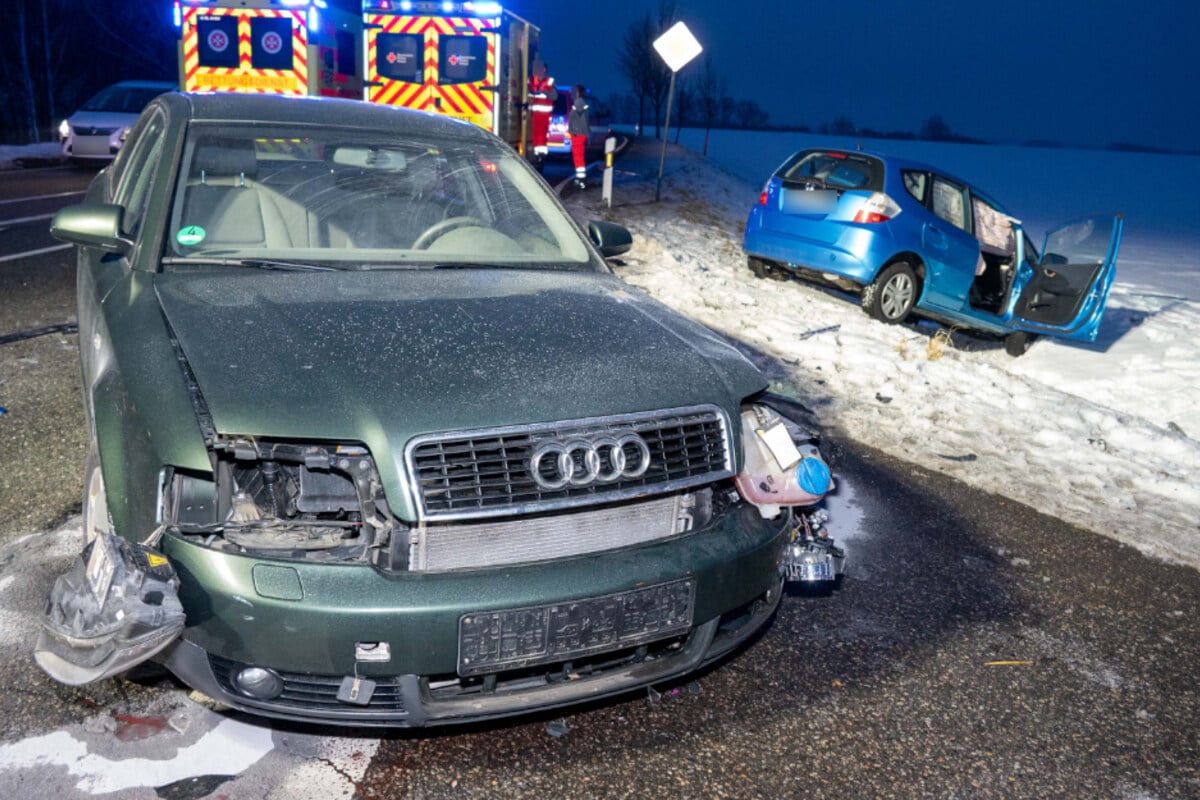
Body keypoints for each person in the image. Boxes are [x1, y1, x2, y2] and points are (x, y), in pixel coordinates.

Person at [527, 60, 556, 170]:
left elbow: (554, 96)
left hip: (544, 114)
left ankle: (540, 155)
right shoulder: (530, 80)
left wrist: (545, 93)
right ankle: (537, 154)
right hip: (532, 114)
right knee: (534, 134)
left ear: (544, 69)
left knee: (541, 135)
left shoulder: (549, 81)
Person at [568, 85, 590, 190]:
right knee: (578, 157)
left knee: (578, 158)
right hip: (579, 134)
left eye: (573, 91)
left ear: (577, 93)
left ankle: (581, 180)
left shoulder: (578, 103)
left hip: (578, 134)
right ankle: (580, 178)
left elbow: (576, 118)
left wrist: (573, 131)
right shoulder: (580, 103)